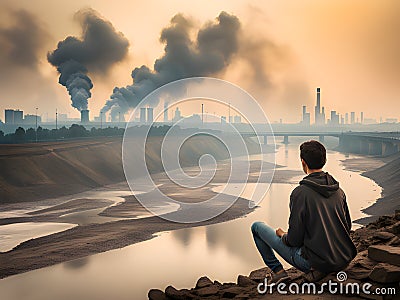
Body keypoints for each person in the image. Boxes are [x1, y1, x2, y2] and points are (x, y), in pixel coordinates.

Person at [251, 140, 357, 283]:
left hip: (316, 263)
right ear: (324, 160)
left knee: (257, 227)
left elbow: (294, 240)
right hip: (343, 259)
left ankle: (278, 271)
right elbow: (347, 227)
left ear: (303, 162)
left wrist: (283, 236)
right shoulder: (339, 191)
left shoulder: (300, 193)